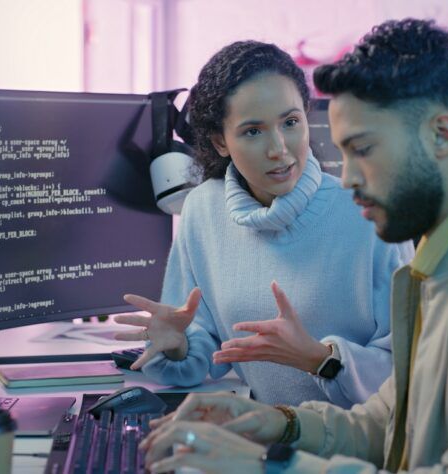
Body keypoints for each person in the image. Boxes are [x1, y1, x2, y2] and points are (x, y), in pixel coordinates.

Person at [137, 19, 448, 474]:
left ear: (441, 135)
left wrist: (268, 466)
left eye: (363, 150)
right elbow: (389, 426)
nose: (346, 179)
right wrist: (274, 424)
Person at [114, 40, 413, 408]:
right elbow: (200, 344)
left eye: (290, 123)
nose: (279, 149)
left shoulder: (368, 213)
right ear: (219, 142)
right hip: (268, 440)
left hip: (357, 449)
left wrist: (321, 359)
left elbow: (410, 372)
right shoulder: (204, 209)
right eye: (253, 131)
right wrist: (178, 347)